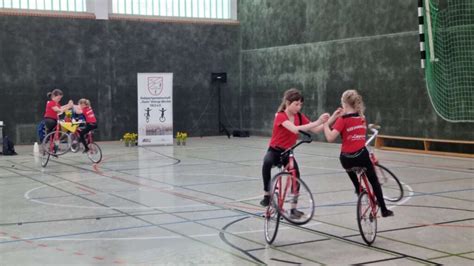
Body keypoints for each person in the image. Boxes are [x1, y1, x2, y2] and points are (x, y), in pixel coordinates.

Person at [260, 88, 330, 219]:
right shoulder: (280, 116)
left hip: (288, 152)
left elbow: (316, 129)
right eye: (296, 104)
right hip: (275, 150)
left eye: (300, 104)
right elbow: (294, 129)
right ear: (287, 103)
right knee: (267, 163)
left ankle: (293, 209)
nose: (299, 107)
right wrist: (317, 121)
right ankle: (266, 195)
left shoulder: (299, 116)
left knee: (296, 175)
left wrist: (330, 120)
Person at [323, 89, 394, 217]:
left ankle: (357, 187)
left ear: (344, 104)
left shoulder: (342, 120)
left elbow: (330, 138)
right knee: (374, 182)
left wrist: (326, 125)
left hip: (346, 159)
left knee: (348, 165)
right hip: (361, 156)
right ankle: (384, 209)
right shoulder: (362, 118)